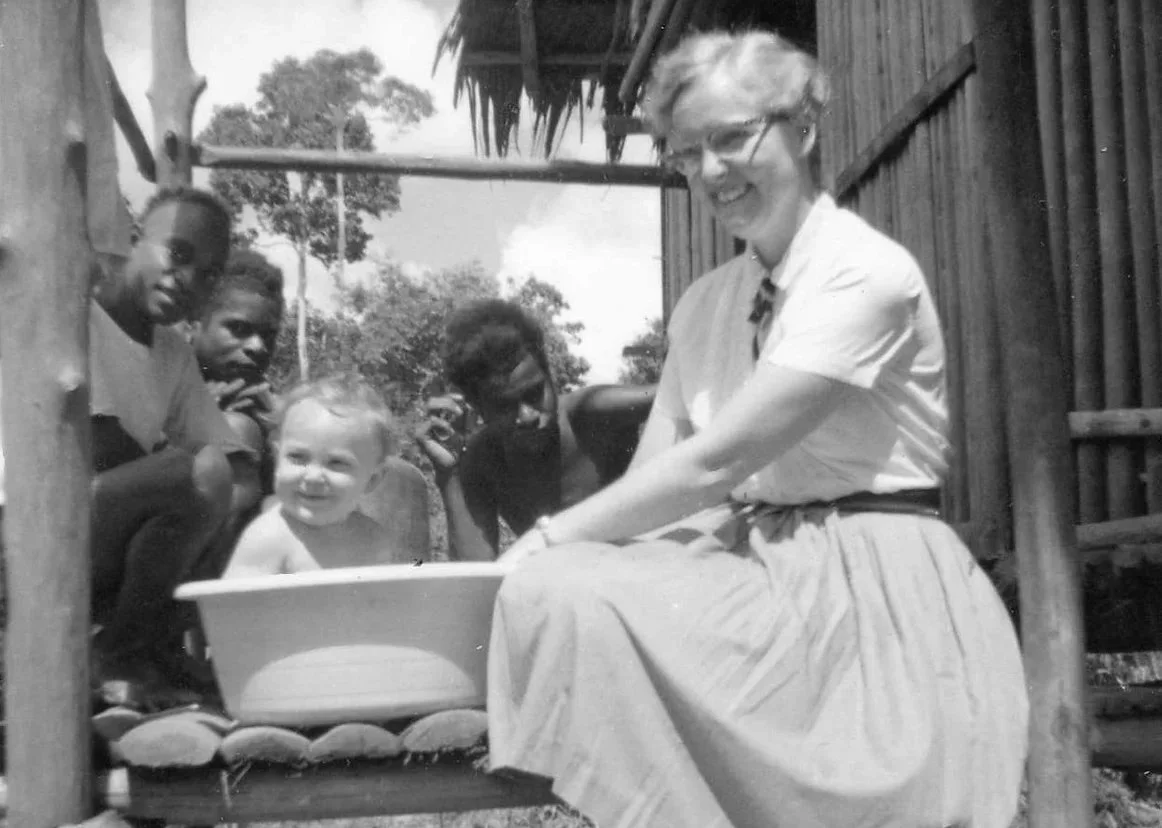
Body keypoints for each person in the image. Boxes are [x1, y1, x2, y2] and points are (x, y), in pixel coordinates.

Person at [485, 31, 1028, 828]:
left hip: (871, 578)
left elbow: (717, 462)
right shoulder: (704, 304)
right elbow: (655, 481)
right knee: (557, 589)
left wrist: (543, 534)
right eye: (685, 152)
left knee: (549, 564)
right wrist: (555, 562)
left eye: (733, 138)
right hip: (748, 567)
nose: (710, 172)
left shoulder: (862, 272)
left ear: (801, 128)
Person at [79, 186, 253, 707]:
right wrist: (200, 498)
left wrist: (219, 517)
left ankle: (138, 647)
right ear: (135, 239)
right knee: (197, 477)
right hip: (43, 528)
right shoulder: (77, 318)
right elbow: (97, 446)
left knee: (230, 493)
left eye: (208, 274)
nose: (188, 280)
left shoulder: (172, 351)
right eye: (178, 253)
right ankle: (122, 653)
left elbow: (234, 468)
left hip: (113, 531)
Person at [416, 299, 656, 560]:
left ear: (549, 374)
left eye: (533, 393)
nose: (528, 415)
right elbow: (473, 579)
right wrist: (450, 475)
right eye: (504, 406)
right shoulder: (482, 461)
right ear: (477, 407)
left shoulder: (593, 413)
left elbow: (681, 391)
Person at [223, 375, 401, 576]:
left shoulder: (374, 539)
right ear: (277, 459)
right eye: (298, 457)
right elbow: (233, 606)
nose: (313, 477)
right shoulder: (268, 538)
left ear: (372, 480)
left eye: (336, 462)